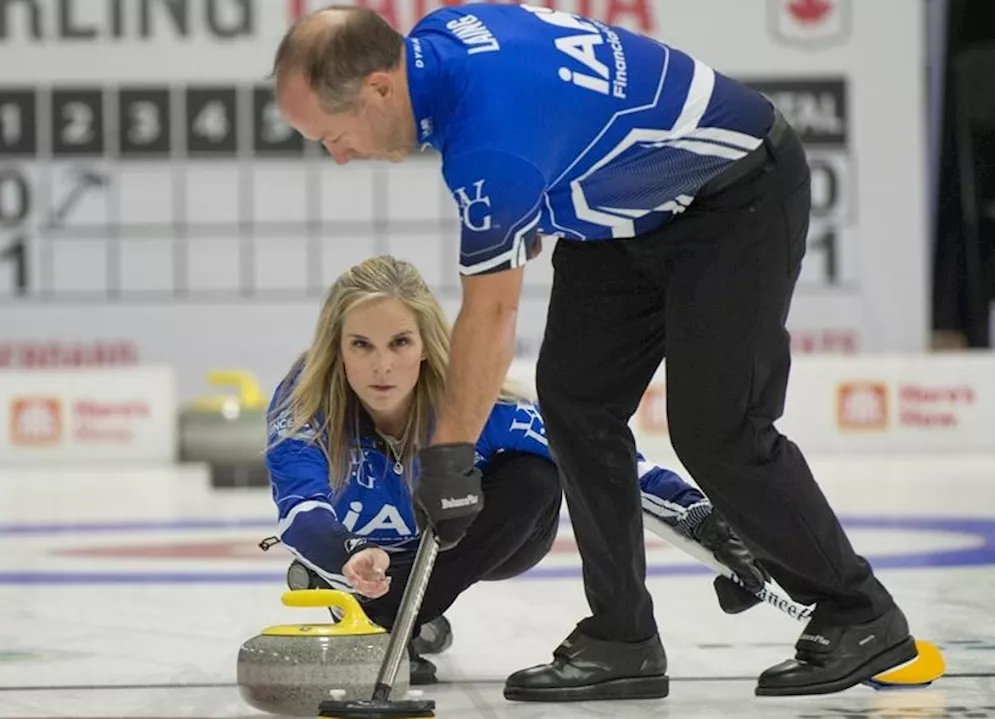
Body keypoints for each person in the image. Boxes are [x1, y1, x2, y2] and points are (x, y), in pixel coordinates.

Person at [269, 2, 919, 702]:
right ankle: (622, 637)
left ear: (378, 88)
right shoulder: (437, 45)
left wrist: (448, 456)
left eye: (333, 136)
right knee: (576, 401)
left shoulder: (490, 144)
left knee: (718, 428)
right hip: (621, 207)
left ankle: (861, 613)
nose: (337, 156)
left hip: (734, 195)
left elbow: (491, 313)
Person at [263, 254, 766, 686]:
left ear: (425, 345)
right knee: (338, 556)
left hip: (470, 544)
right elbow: (300, 509)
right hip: (362, 556)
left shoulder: (472, 404)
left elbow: (602, 459)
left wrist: (707, 523)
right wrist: (346, 554)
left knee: (536, 474)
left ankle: (393, 617)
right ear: (337, 346)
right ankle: (399, 609)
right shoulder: (305, 407)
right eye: (361, 345)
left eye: (399, 343)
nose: (382, 367)